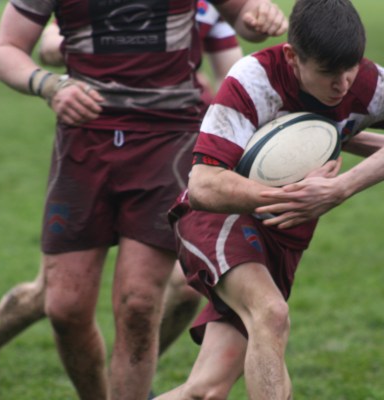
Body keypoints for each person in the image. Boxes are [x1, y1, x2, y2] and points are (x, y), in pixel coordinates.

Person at [0, 1, 287, 399]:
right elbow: (6, 49)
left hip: (167, 142)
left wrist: (257, 15)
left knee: (139, 306)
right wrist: (49, 85)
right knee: (64, 307)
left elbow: (242, 18)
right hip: (84, 142)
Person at [152, 0, 384, 398]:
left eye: (350, 68)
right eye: (328, 72)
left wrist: (341, 187)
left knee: (206, 390)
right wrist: (290, 196)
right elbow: (204, 185)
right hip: (220, 218)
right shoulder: (253, 80)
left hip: (281, 235)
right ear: (292, 57)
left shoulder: (366, 81)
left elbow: (334, 124)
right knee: (271, 314)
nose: (343, 84)